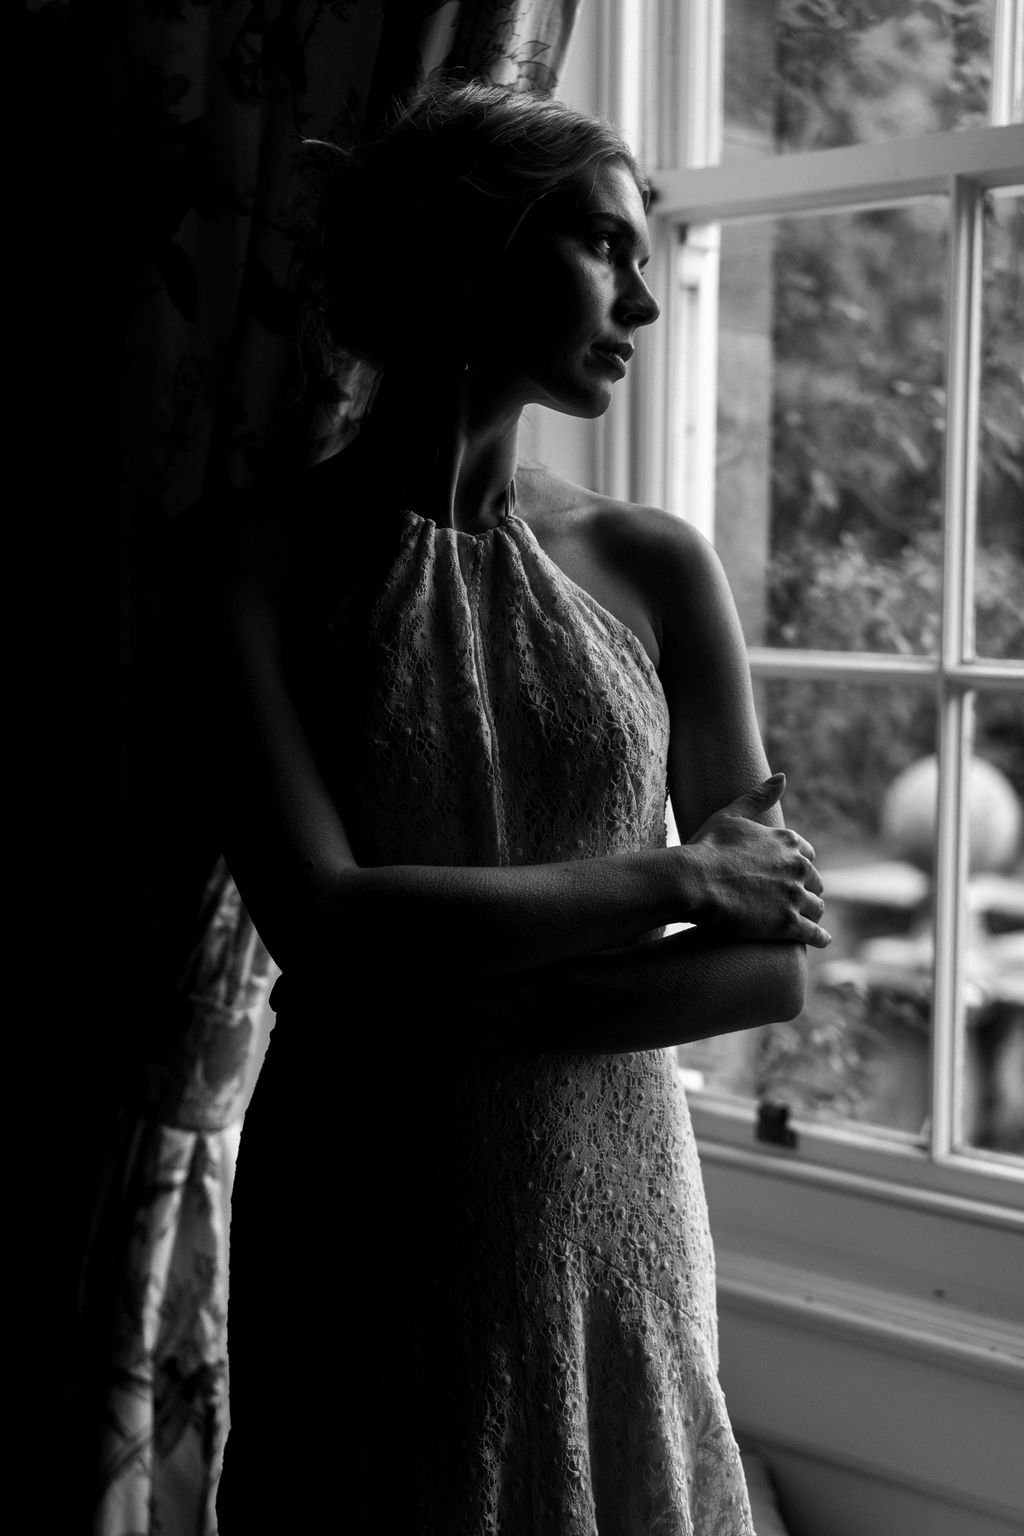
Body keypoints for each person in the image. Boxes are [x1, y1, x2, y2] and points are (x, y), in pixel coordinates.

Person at [176, 78, 830, 1535]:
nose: (645, 304)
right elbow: (328, 920)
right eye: (605, 246)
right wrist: (679, 876)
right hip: (365, 1205)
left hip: (612, 1202)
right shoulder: (242, 566)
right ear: (468, 248)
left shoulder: (658, 566)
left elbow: (775, 956)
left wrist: (455, 1009)